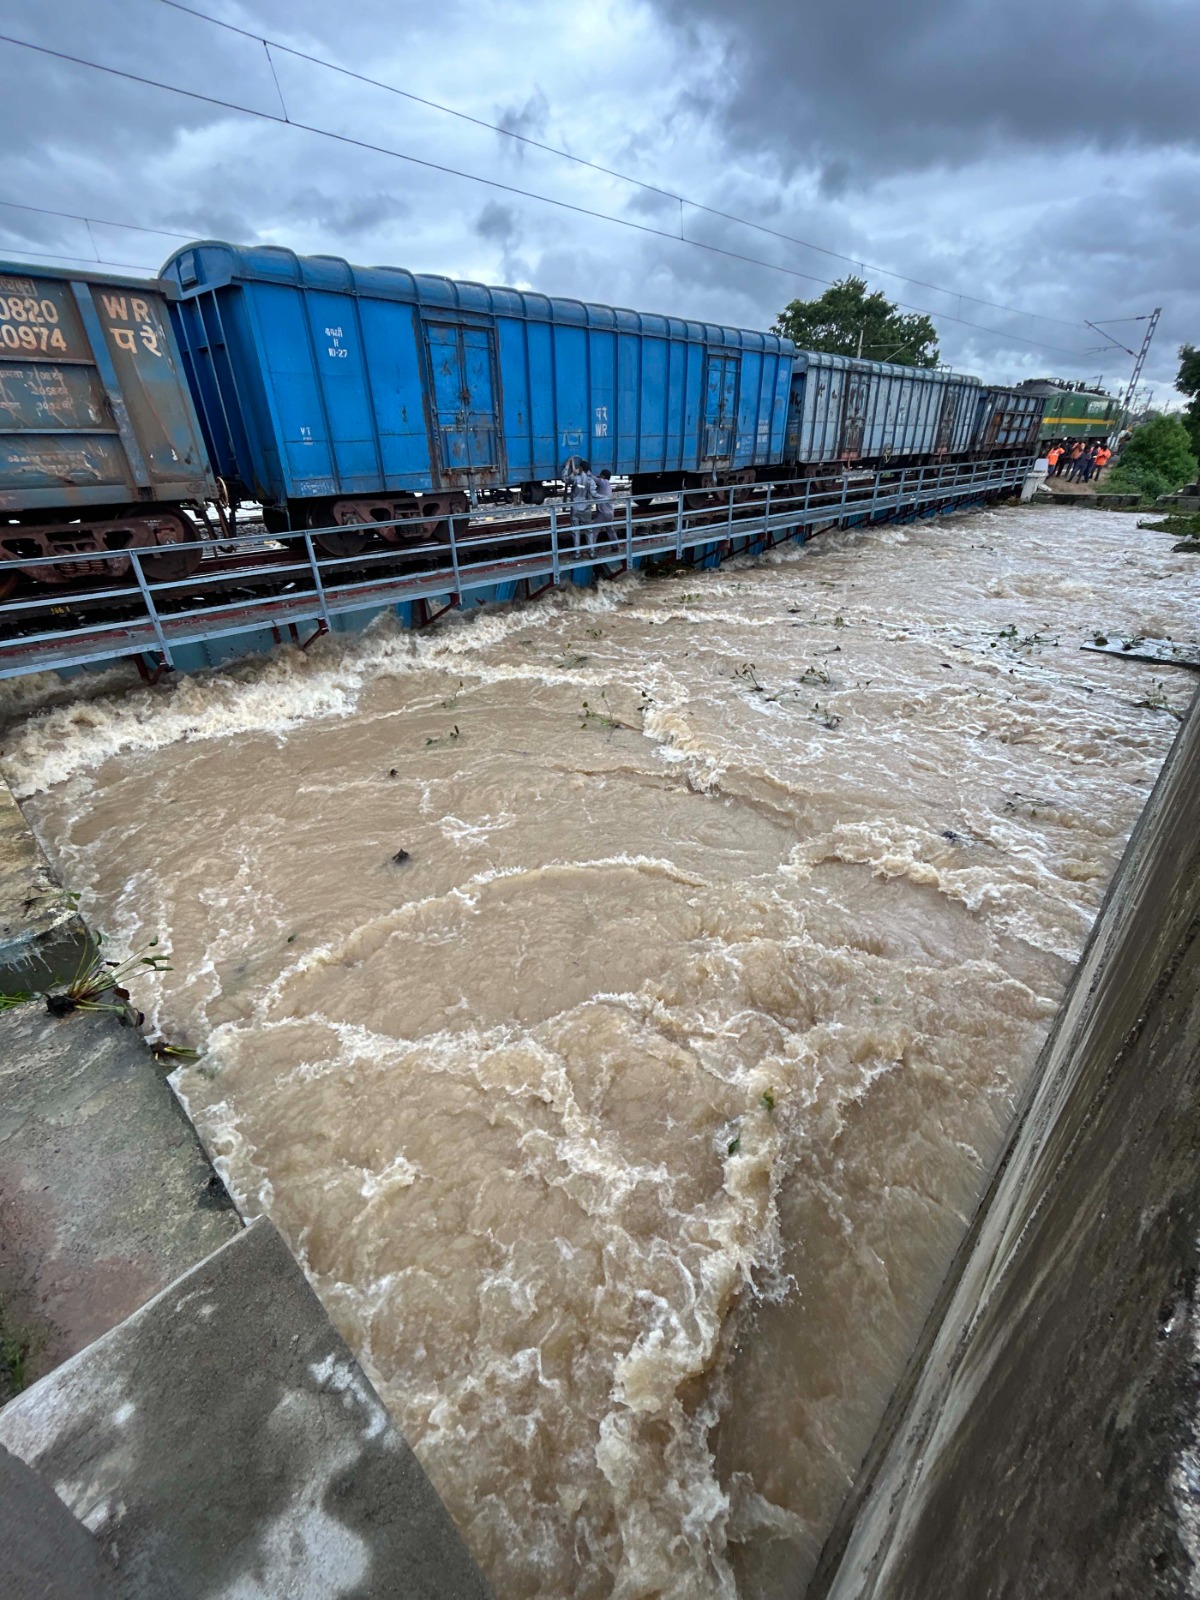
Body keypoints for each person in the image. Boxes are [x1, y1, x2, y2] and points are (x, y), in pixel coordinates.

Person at [568, 458, 595, 550]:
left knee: (575, 530)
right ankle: (591, 551)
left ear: (580, 468)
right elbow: (593, 493)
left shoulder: (575, 478)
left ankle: (577, 553)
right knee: (589, 530)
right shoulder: (591, 480)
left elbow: (565, 478)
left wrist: (569, 466)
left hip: (575, 507)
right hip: (586, 507)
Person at [591, 469, 614, 547]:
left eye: (600, 474)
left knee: (594, 530)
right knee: (610, 530)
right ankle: (616, 547)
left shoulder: (603, 482)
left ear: (603, 476)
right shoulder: (607, 485)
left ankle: (591, 549)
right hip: (610, 513)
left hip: (603, 513)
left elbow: (593, 478)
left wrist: (586, 472)